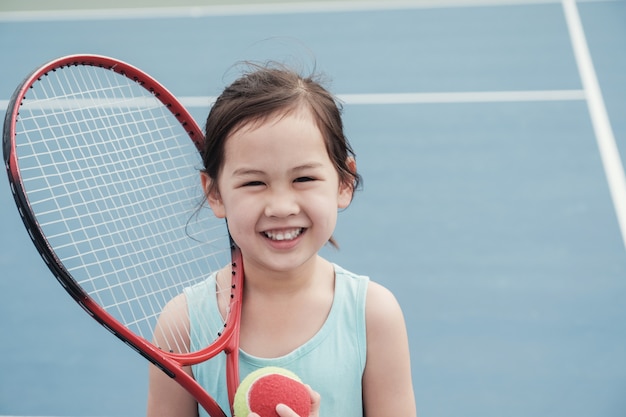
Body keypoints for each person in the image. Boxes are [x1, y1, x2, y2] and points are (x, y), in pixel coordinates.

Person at [146, 62, 416, 417]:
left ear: (344, 183)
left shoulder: (372, 316)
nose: (281, 207)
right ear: (215, 193)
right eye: (254, 183)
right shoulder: (182, 325)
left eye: (304, 179)